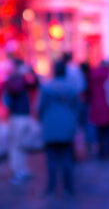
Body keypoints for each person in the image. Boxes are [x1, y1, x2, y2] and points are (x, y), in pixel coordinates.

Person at [39, 60, 81, 196]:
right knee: (66, 158)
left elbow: (40, 107)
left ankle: (51, 187)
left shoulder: (46, 88)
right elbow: (77, 107)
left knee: (51, 159)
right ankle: (68, 188)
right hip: (67, 127)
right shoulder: (72, 89)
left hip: (50, 127)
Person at [4, 58, 38, 185]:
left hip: (25, 115)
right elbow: (15, 88)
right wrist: (21, 75)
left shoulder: (22, 78)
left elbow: (35, 85)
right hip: (16, 116)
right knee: (15, 145)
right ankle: (16, 171)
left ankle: (22, 169)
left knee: (24, 144)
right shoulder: (12, 79)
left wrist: (32, 72)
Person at [87, 61, 109, 160]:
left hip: (96, 106)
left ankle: (102, 153)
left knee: (100, 132)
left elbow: (89, 92)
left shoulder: (92, 76)